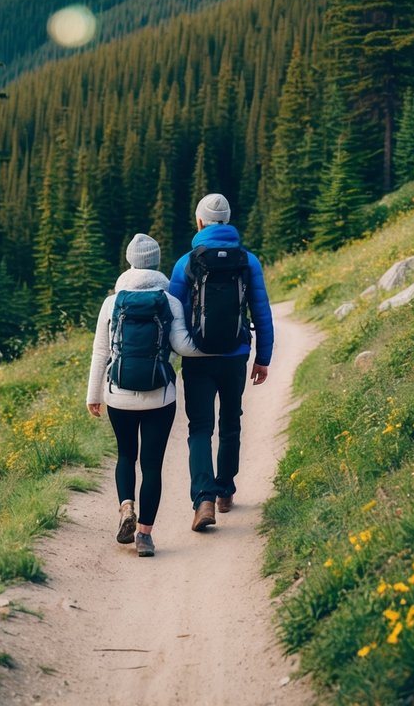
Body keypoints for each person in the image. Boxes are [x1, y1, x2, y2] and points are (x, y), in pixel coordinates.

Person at [86, 232, 200, 556]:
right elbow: (181, 347)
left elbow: (100, 351)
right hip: (159, 397)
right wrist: (217, 349)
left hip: (118, 394)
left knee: (126, 455)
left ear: (130, 261)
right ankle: (145, 536)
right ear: (156, 262)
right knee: (152, 466)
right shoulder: (170, 301)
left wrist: (93, 394)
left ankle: (125, 507)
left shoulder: (112, 301)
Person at [168, 192, 273, 532]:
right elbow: (261, 311)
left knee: (200, 427)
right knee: (231, 421)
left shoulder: (186, 262)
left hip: (197, 357)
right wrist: (263, 357)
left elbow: (172, 315)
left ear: (199, 222)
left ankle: (204, 500)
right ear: (227, 221)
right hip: (235, 356)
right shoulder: (248, 260)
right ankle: (225, 490)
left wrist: (171, 356)